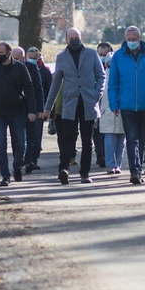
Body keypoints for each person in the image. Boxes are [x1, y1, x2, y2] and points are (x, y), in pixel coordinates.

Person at [43, 28, 105, 185]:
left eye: (76, 37)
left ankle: (85, 173)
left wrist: (96, 94)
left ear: (81, 37)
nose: (74, 40)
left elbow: (101, 75)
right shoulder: (61, 57)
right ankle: (64, 169)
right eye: (71, 38)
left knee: (87, 141)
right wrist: (48, 106)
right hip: (69, 104)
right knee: (67, 139)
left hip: (88, 103)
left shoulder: (91, 54)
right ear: (66, 40)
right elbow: (56, 83)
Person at [108, 26, 145, 184]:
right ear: (125, 39)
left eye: (134, 39)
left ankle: (139, 166)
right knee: (131, 139)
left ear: (140, 38)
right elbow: (112, 83)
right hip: (126, 105)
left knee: (143, 139)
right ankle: (135, 171)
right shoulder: (118, 56)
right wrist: (114, 103)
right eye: (129, 39)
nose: (131, 42)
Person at [0, 42, 37, 186]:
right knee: (1, 144)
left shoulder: (20, 68)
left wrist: (32, 111)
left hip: (17, 111)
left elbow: (29, 90)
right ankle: (5, 175)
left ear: (9, 53)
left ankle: (17, 165)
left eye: (1, 52)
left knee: (19, 143)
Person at [11, 46, 45, 174]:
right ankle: (18, 161)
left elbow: (38, 89)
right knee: (17, 137)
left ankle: (30, 161)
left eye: (17, 59)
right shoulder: (7, 68)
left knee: (31, 136)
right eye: (13, 58)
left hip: (30, 107)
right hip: (15, 108)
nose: (15, 61)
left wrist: (40, 109)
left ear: (23, 58)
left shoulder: (31, 68)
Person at [98, 51, 125, 174]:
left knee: (121, 140)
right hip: (106, 111)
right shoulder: (102, 76)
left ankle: (118, 164)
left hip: (122, 111)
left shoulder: (124, 76)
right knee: (109, 139)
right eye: (109, 64)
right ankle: (110, 165)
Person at [27, 46, 51, 170]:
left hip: (39, 109)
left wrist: (45, 109)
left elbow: (48, 91)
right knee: (26, 136)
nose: (32, 60)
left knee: (36, 136)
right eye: (29, 58)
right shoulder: (23, 69)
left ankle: (33, 160)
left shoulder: (45, 72)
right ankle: (26, 159)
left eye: (34, 58)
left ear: (38, 58)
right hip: (25, 109)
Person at [93, 42, 114, 168]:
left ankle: (108, 155)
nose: (102, 57)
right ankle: (100, 156)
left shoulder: (114, 67)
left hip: (110, 104)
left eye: (104, 55)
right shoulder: (93, 67)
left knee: (109, 132)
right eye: (100, 54)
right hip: (96, 103)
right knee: (97, 131)